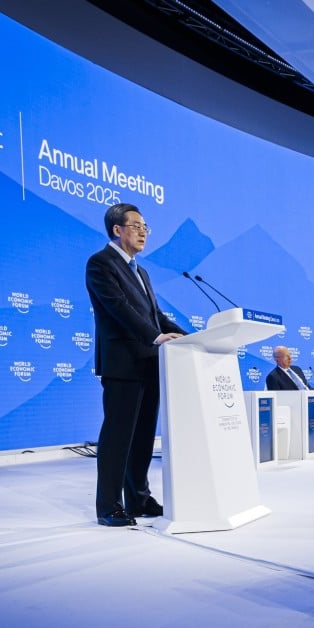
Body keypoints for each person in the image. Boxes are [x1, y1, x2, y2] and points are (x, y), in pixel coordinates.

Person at [86, 203, 186, 527]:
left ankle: (139, 498)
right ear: (118, 229)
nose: (144, 232)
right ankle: (109, 505)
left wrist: (189, 338)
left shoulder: (141, 271)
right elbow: (119, 309)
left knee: (143, 437)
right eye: (137, 226)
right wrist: (156, 337)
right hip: (122, 364)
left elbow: (155, 315)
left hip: (149, 363)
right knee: (118, 437)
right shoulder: (101, 264)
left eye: (146, 227)